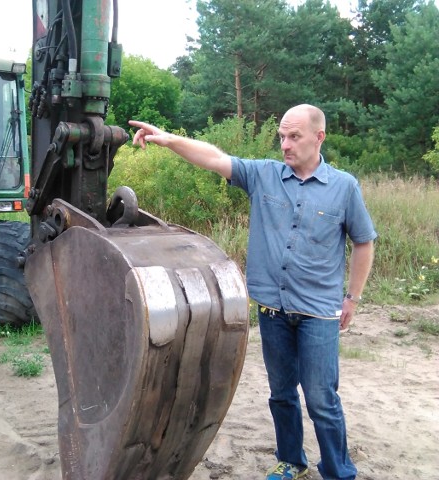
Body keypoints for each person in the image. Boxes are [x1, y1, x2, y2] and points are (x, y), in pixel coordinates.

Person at [129, 104, 376, 480]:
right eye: (281, 136)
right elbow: (213, 157)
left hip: (318, 312)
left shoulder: (344, 187)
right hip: (273, 309)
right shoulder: (264, 175)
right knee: (281, 393)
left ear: (319, 137)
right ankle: (291, 461)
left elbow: (364, 241)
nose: (285, 145)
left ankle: (338, 471)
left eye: (294, 137)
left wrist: (352, 298)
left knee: (322, 399)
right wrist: (167, 139)